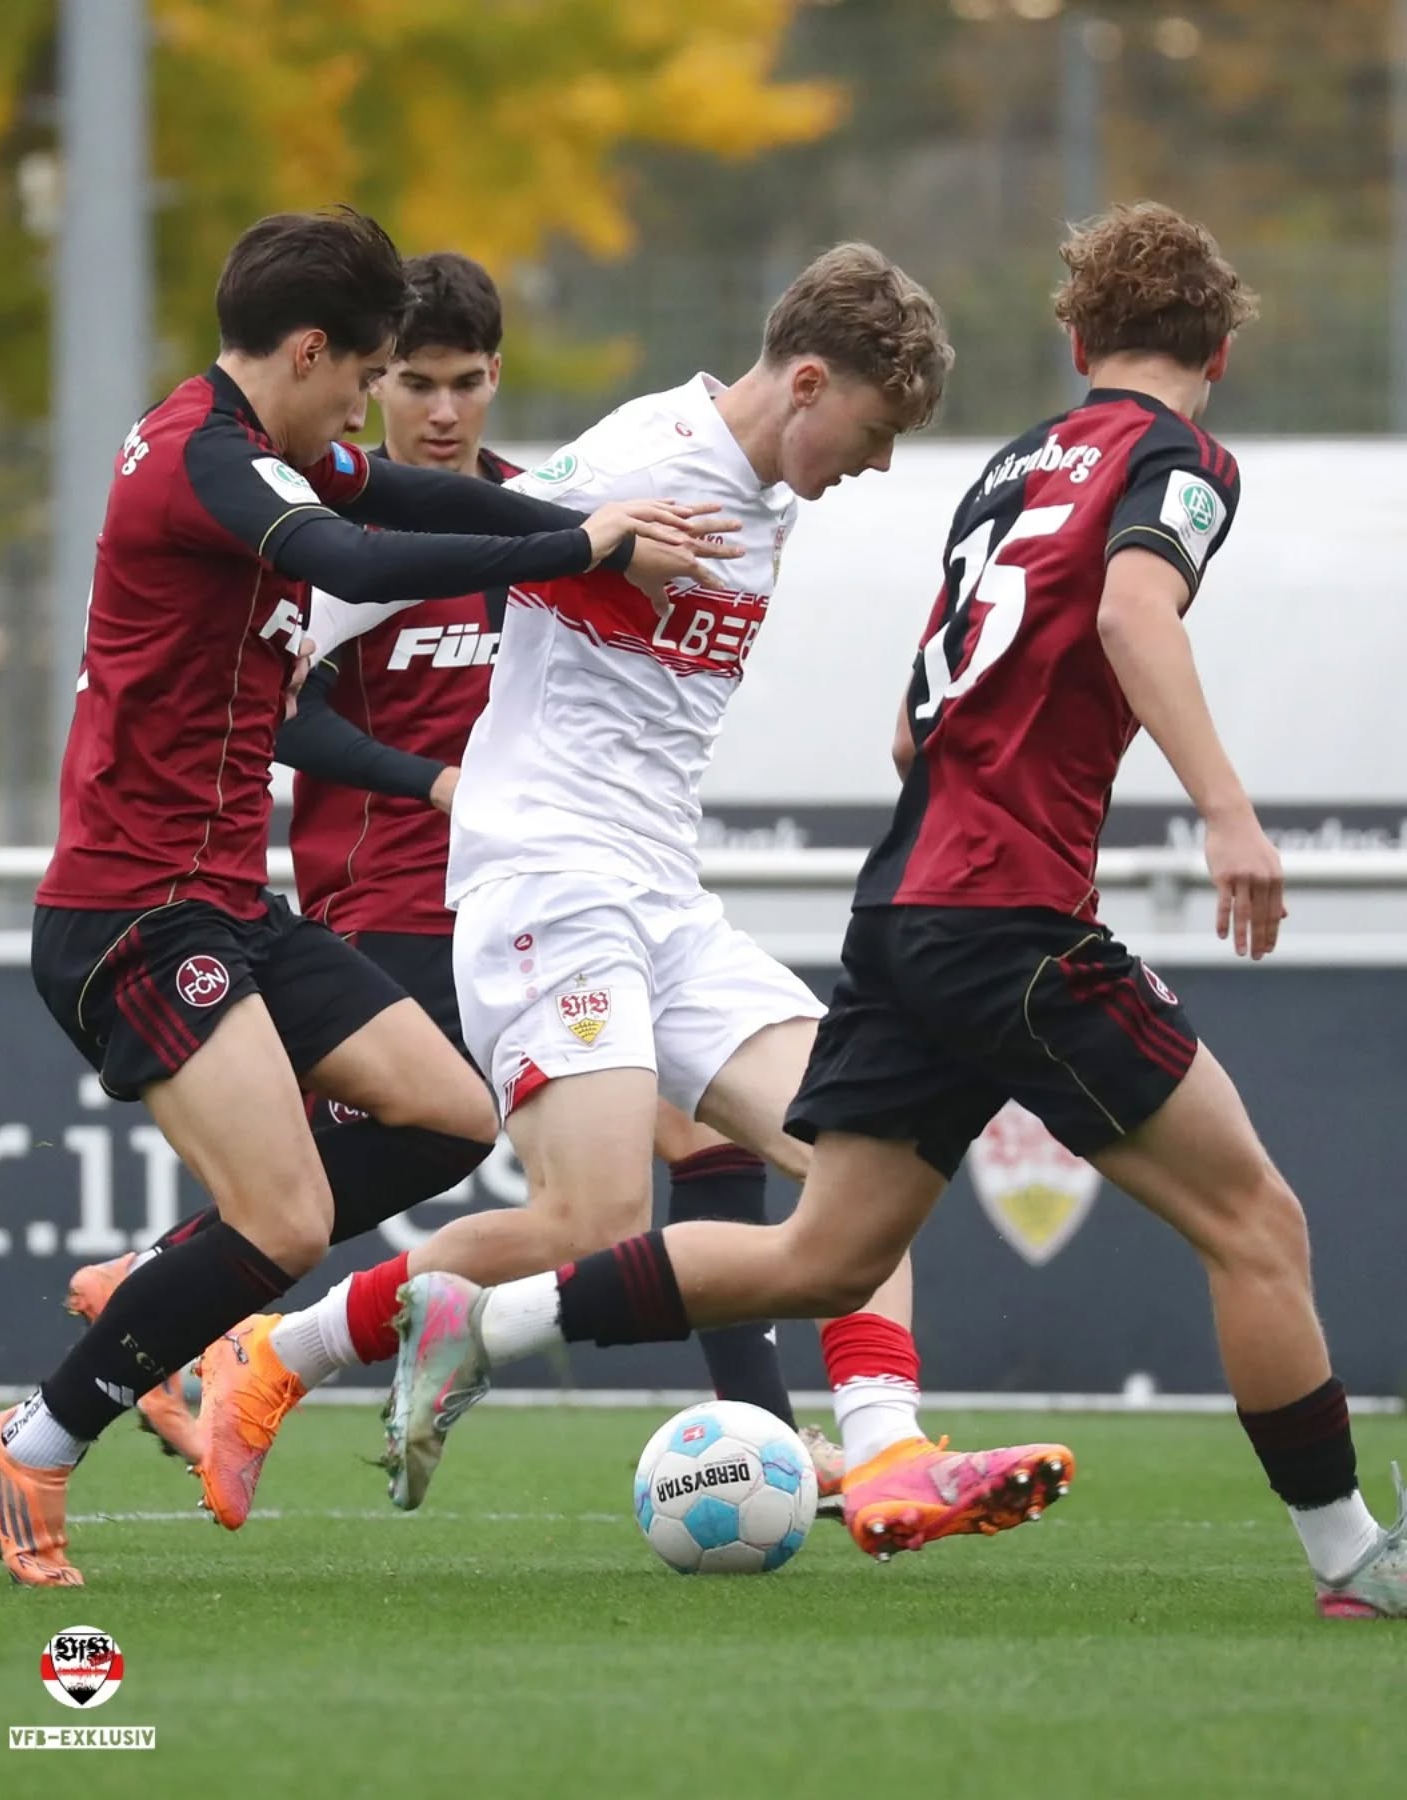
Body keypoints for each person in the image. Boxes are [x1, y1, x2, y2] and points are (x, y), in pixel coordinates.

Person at [381, 199, 1407, 1609]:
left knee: (828, 1252)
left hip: (904, 909)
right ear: (1218, 349)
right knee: (1259, 1225)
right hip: (1013, 919)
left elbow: (920, 729)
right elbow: (1128, 616)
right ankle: (1354, 1557)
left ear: (1073, 337)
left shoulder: (1010, 468)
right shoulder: (1177, 458)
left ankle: (491, 1323)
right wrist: (1227, 809)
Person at [199, 241, 1071, 1547]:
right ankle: (277, 1354)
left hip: (666, 895)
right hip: (548, 874)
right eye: (878, 433)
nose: (879, 465)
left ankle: (887, 1462)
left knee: (871, 1154)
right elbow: (352, 585)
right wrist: (570, 544)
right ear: (812, 382)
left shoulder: (763, 499)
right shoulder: (644, 458)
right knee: (593, 1220)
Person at [0, 206, 731, 1589]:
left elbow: (405, 503)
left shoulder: (268, 443)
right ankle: (29, 1439)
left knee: (446, 1108)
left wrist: (578, 518)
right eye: (368, 376)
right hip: (131, 915)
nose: (374, 412)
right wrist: (586, 553)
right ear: (313, 350)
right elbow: (359, 560)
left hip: (225, 903)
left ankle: (157, 1281)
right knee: (288, 1220)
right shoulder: (204, 459)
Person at [132, 249, 835, 1521]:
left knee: (691, 1152)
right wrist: (431, 783)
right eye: (409, 381)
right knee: (480, 1184)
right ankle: (165, 1301)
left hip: (570, 893)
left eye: (464, 384)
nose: (438, 410)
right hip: (401, 901)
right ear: (370, 377)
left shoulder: (537, 513)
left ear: (497, 380)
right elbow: (277, 683)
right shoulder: (370, 535)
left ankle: (800, 1444)